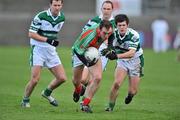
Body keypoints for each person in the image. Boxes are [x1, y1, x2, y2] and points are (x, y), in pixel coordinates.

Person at [21, 0, 67, 108]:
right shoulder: (40, 16)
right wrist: (47, 40)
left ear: (62, 5)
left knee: (62, 78)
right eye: (54, 5)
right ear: (50, 5)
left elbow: (54, 33)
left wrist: (52, 41)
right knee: (35, 80)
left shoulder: (62, 18)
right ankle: (25, 100)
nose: (57, 7)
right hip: (38, 49)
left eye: (59, 5)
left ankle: (46, 93)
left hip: (50, 51)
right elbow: (31, 34)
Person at [101, 14, 144, 111]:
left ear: (127, 25)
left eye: (124, 25)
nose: (122, 27)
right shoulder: (113, 34)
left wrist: (115, 56)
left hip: (136, 61)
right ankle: (110, 107)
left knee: (133, 91)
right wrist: (108, 49)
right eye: (119, 25)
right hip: (122, 61)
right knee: (116, 83)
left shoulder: (134, 35)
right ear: (116, 26)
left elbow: (131, 53)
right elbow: (106, 42)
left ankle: (130, 95)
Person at [72, 20, 113, 113]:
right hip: (79, 52)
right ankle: (78, 89)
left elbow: (112, 35)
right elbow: (79, 52)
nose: (106, 36)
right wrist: (88, 63)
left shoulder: (108, 29)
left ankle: (85, 104)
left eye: (108, 33)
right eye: (104, 33)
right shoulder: (89, 36)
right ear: (99, 30)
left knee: (98, 77)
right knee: (76, 81)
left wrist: (110, 47)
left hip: (93, 52)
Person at [81, 0, 115, 86]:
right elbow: (84, 33)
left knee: (95, 79)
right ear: (101, 9)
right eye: (104, 8)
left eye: (108, 9)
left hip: (104, 52)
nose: (106, 11)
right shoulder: (94, 20)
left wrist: (111, 48)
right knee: (83, 79)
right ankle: (84, 87)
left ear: (112, 10)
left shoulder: (116, 23)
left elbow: (117, 38)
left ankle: (85, 97)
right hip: (92, 49)